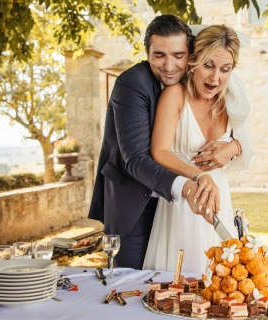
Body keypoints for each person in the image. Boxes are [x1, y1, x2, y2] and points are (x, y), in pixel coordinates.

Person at [88, 16, 241, 270]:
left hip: (202, 200)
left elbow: (243, 135)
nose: (169, 66)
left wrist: (234, 147)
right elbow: (137, 158)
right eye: (159, 55)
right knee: (138, 283)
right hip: (136, 200)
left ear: (190, 53)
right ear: (147, 52)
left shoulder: (218, 89)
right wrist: (195, 180)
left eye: (178, 55)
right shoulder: (132, 84)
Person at [142, 25, 251, 274]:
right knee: (175, 286)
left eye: (225, 70)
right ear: (193, 61)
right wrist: (198, 175)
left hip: (218, 198)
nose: (215, 79)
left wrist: (233, 147)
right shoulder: (175, 95)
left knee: (222, 281)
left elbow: (247, 143)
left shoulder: (230, 100)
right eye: (208, 66)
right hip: (182, 199)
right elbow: (159, 152)